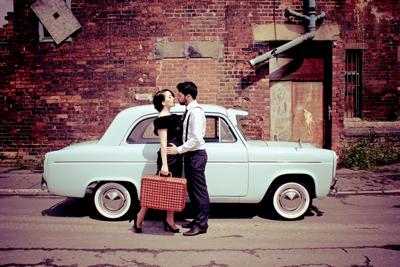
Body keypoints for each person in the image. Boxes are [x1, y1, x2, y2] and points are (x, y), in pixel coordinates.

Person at [133, 89, 183, 233]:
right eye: (169, 96)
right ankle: (140, 216)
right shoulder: (162, 119)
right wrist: (165, 166)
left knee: (172, 191)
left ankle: (169, 220)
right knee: (157, 189)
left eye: (172, 95)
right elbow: (163, 143)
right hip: (168, 159)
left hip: (176, 157)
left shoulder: (173, 116)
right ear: (163, 102)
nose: (173, 98)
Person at [167, 81, 210, 236]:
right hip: (191, 155)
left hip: (196, 155)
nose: (177, 97)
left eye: (179, 94)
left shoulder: (196, 112)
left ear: (188, 96)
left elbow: (196, 139)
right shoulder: (189, 110)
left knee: (199, 192)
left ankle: (201, 225)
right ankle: (197, 220)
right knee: (192, 191)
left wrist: (177, 150)